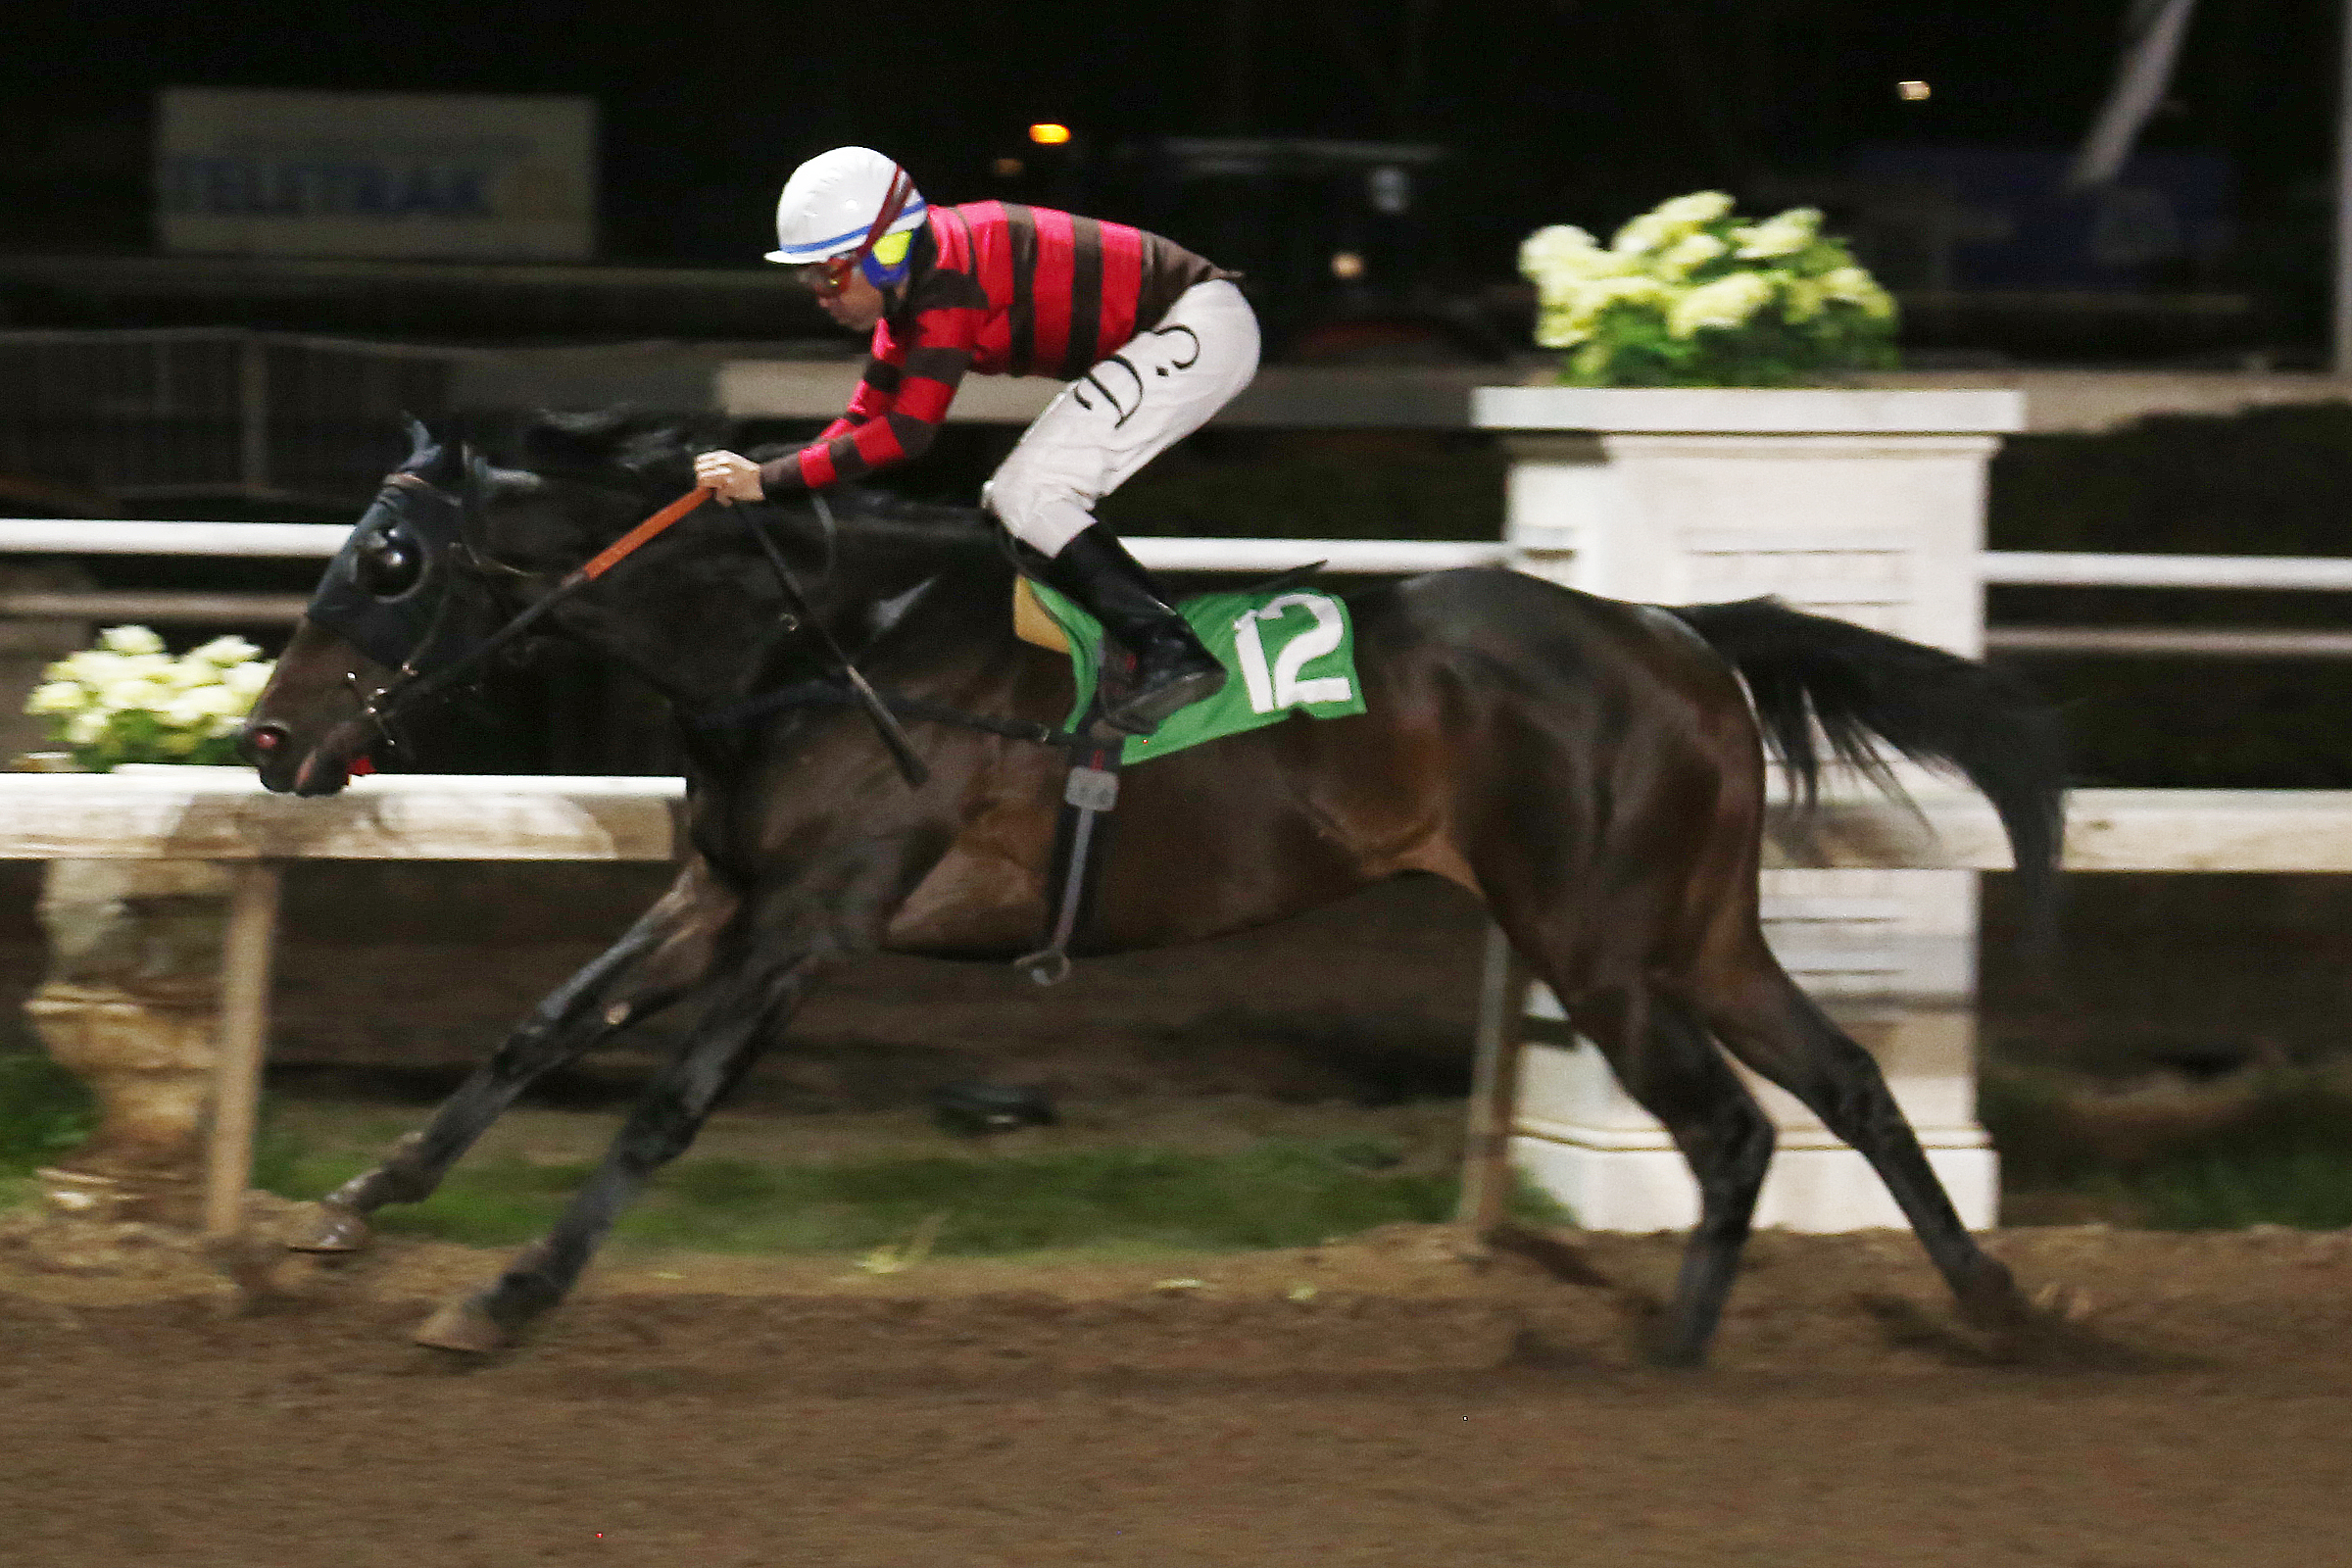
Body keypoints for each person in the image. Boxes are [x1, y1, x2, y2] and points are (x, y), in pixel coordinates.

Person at [694, 146, 1258, 735]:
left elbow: (907, 433)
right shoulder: (918, 287)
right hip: (1182, 327)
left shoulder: (950, 280)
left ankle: (1170, 648)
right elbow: (861, 422)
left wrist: (767, 480)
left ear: (885, 254)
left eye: (830, 274)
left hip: (1198, 327)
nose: (819, 294)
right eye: (808, 276)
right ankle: (1124, 648)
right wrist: (764, 474)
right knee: (1012, 499)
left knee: (1028, 493)